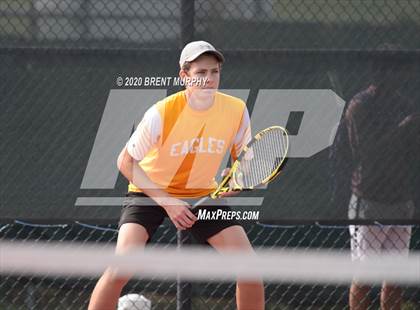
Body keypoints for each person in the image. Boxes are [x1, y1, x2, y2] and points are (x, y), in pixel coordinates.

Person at [88, 41, 265, 310]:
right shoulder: (162, 112)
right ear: (184, 76)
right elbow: (125, 161)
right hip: (148, 193)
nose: (208, 79)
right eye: (200, 73)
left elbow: (246, 167)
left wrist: (237, 182)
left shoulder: (236, 110)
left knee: (250, 271)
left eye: (214, 72)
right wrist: (168, 203)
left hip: (201, 195)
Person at [330, 45, 419, 310]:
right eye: (387, 69)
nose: (393, 75)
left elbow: (411, 154)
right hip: (368, 203)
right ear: (376, 71)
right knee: (363, 277)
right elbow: (368, 154)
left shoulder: (405, 105)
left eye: (397, 69)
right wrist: (405, 128)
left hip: (401, 203)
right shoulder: (360, 106)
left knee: (394, 279)